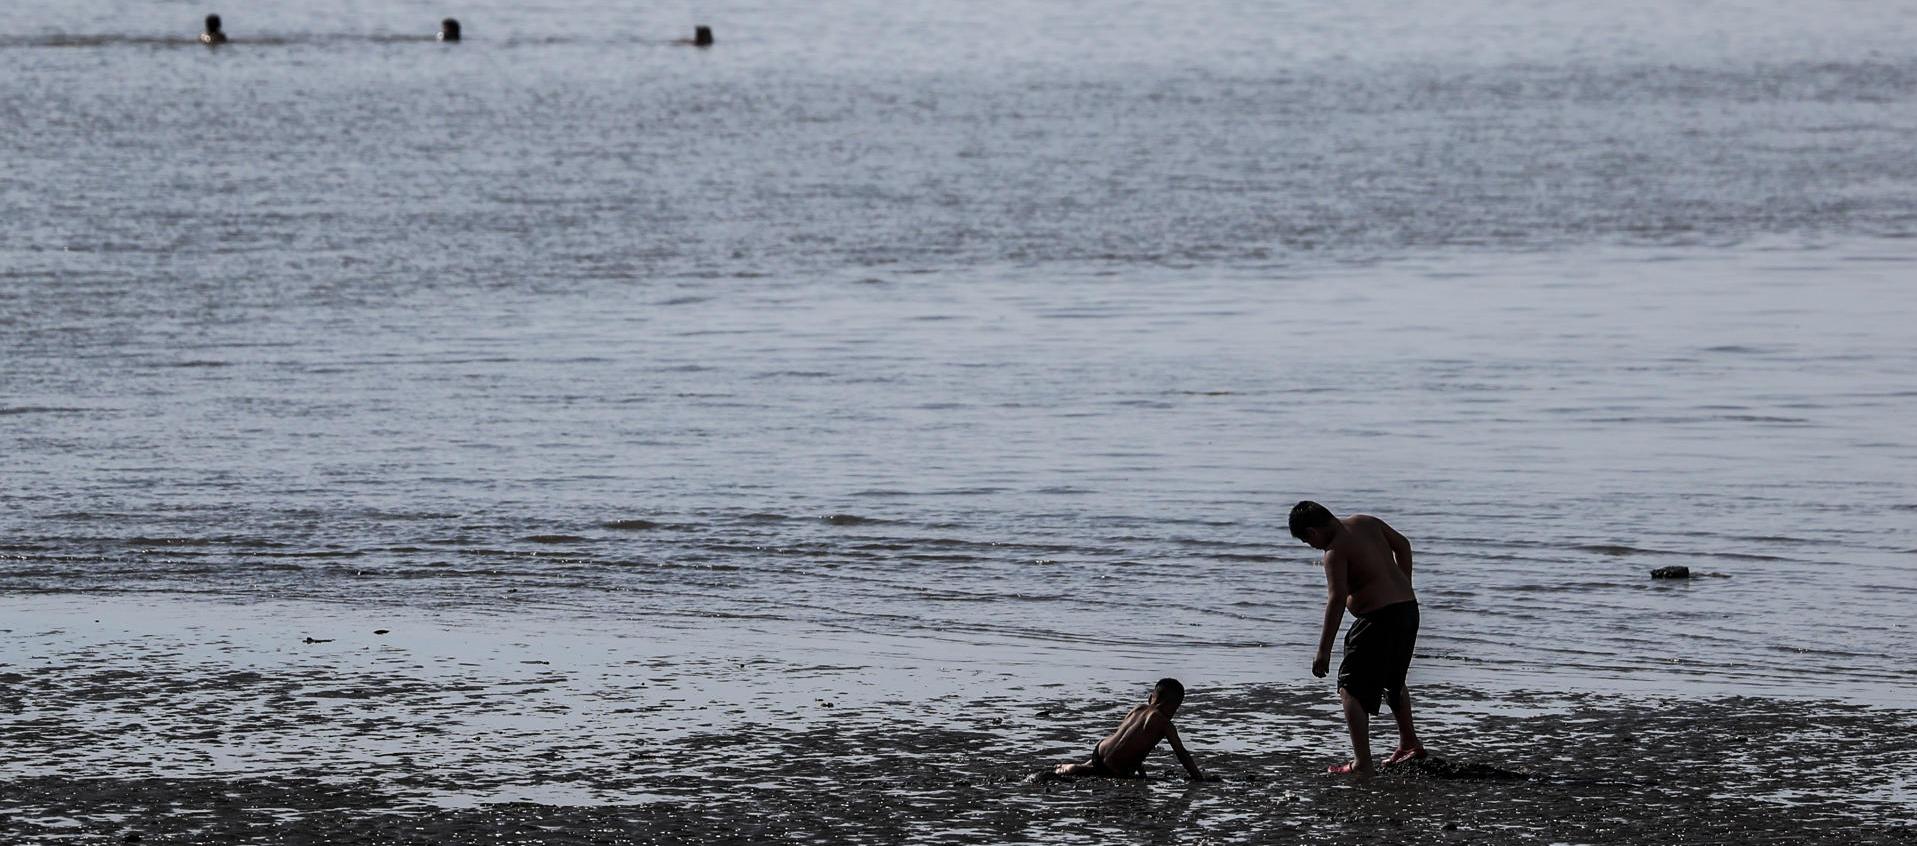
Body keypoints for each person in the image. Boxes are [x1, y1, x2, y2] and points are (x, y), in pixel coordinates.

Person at [1290, 500, 1426, 777]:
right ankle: (1409, 742)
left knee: (1349, 686)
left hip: (1378, 619)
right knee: (1393, 678)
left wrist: (1323, 650)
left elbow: (1337, 599)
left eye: (1307, 541)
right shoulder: (1365, 521)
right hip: (1407, 609)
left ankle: (1362, 762)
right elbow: (1403, 545)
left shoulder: (1334, 552)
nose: (1312, 547)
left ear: (1313, 532)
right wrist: (1404, 584)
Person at [1052, 678, 1218, 781]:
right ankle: (1068, 769)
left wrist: (1141, 772)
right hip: (1115, 767)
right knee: (1093, 771)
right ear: (1174, 707)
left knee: (1095, 764)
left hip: (1101, 748)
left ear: (1150, 698)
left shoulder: (1138, 708)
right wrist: (1199, 778)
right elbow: (1181, 753)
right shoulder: (1165, 724)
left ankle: (1069, 766)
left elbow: (1127, 739)